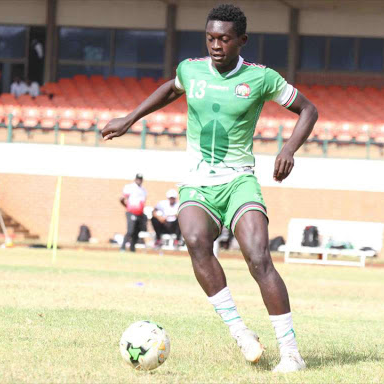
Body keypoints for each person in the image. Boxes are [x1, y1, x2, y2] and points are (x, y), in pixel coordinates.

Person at [102, 4, 317, 373]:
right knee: (196, 241)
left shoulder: (261, 78)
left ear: (241, 41)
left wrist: (288, 149)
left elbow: (308, 110)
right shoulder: (191, 69)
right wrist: (130, 118)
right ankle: (240, 332)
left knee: (258, 256)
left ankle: (291, 352)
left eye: (224, 38)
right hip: (197, 183)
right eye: (211, 37)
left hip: (238, 181)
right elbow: (173, 88)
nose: (216, 44)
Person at [120, 173, 147, 252]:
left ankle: (132, 248)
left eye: (140, 179)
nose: (139, 180)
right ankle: (122, 247)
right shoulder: (130, 187)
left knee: (136, 231)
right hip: (131, 212)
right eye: (138, 179)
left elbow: (143, 201)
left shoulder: (143, 190)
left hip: (140, 213)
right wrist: (127, 206)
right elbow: (122, 198)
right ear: (135, 179)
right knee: (130, 231)